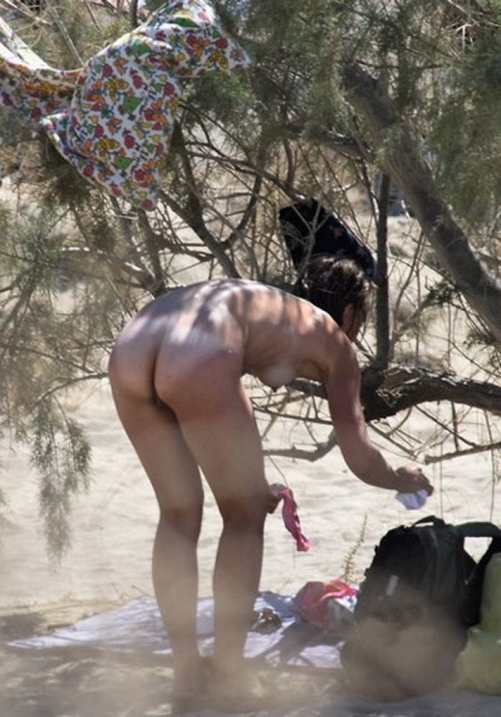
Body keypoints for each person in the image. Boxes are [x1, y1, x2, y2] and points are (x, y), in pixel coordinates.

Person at [107, 256, 434, 714]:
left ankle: (185, 672)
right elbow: (359, 456)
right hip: (199, 351)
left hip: (134, 343)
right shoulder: (334, 339)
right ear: (350, 314)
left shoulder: (269, 304)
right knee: (242, 519)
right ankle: (226, 675)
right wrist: (401, 476)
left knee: (178, 515)